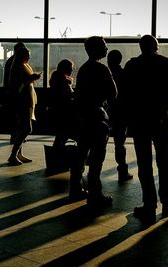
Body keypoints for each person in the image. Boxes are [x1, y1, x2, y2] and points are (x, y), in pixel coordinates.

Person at [123, 35, 168, 226]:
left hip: (140, 119)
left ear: (140, 47)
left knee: (144, 163)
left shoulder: (132, 65)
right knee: (164, 161)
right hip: (159, 118)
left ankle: (149, 204)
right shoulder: (166, 63)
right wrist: (165, 108)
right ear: (156, 46)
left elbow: (125, 93)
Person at [70, 36, 116, 207]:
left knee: (81, 154)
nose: (107, 49)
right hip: (97, 117)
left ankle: (76, 188)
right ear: (97, 49)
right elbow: (113, 93)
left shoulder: (83, 69)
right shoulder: (102, 69)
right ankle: (95, 194)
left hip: (84, 118)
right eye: (104, 46)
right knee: (97, 157)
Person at [7, 46, 41, 165]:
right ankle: (13, 155)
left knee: (22, 128)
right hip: (22, 101)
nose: (29, 57)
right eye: (27, 54)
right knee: (27, 128)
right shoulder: (17, 68)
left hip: (27, 100)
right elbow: (17, 87)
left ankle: (18, 154)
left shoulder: (24, 65)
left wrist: (32, 78)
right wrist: (31, 78)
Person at [107, 49, 133, 183]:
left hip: (107, 111)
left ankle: (93, 172)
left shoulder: (104, 73)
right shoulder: (124, 74)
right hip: (121, 112)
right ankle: (122, 171)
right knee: (119, 143)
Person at [49, 59, 76, 148]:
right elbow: (66, 95)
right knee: (63, 133)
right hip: (64, 111)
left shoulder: (56, 77)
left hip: (58, 110)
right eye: (71, 68)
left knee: (61, 134)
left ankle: (56, 153)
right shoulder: (63, 80)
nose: (72, 70)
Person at [3, 42, 26, 144]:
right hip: (17, 93)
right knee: (18, 117)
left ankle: (15, 136)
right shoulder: (17, 62)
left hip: (11, 93)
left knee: (15, 117)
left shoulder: (10, 61)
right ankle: (17, 137)